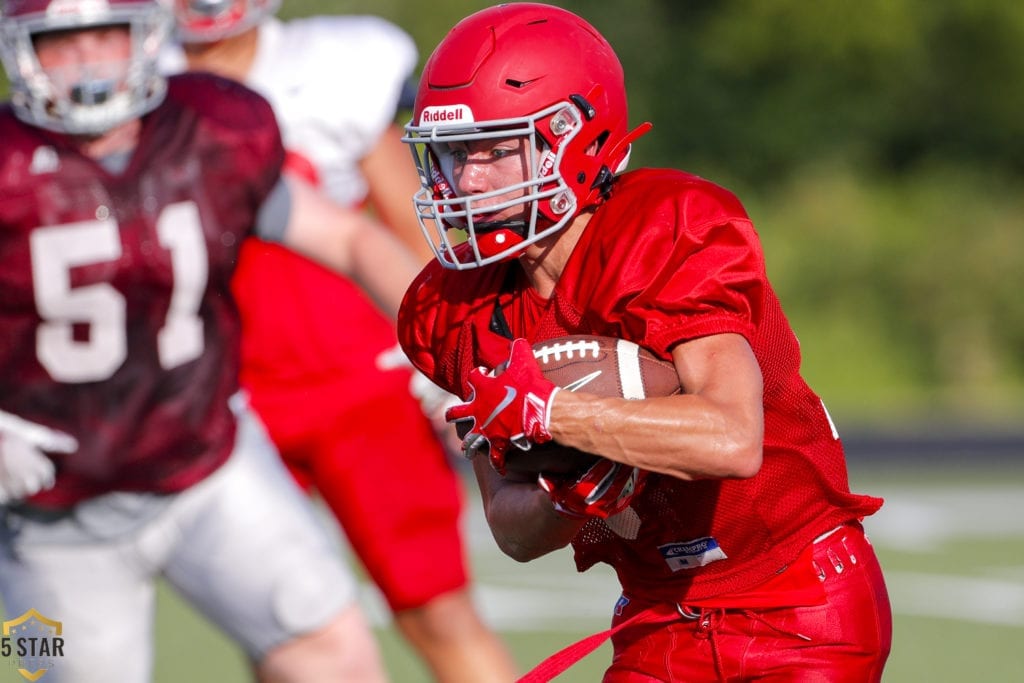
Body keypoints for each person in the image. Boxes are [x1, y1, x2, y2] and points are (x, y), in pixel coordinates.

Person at [397, 3, 893, 681]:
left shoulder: (667, 227)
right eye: (453, 153)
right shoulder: (451, 305)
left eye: (492, 148)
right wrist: (566, 498)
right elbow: (511, 530)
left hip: (798, 600)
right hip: (660, 613)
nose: (467, 179)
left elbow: (730, 438)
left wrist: (557, 415)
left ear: (571, 138)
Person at [0, 0, 424, 680]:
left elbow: (348, 236)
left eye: (104, 36)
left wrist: (438, 348)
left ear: (144, 38)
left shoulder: (210, 129)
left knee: (335, 656)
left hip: (211, 465)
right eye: (60, 42)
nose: (86, 62)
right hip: (50, 514)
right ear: (21, 49)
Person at [160, 3, 518, 682]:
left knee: (437, 611)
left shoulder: (335, 67)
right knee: (283, 633)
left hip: (365, 384)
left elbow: (414, 231)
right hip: (228, 400)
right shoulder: (135, 80)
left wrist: (449, 362)